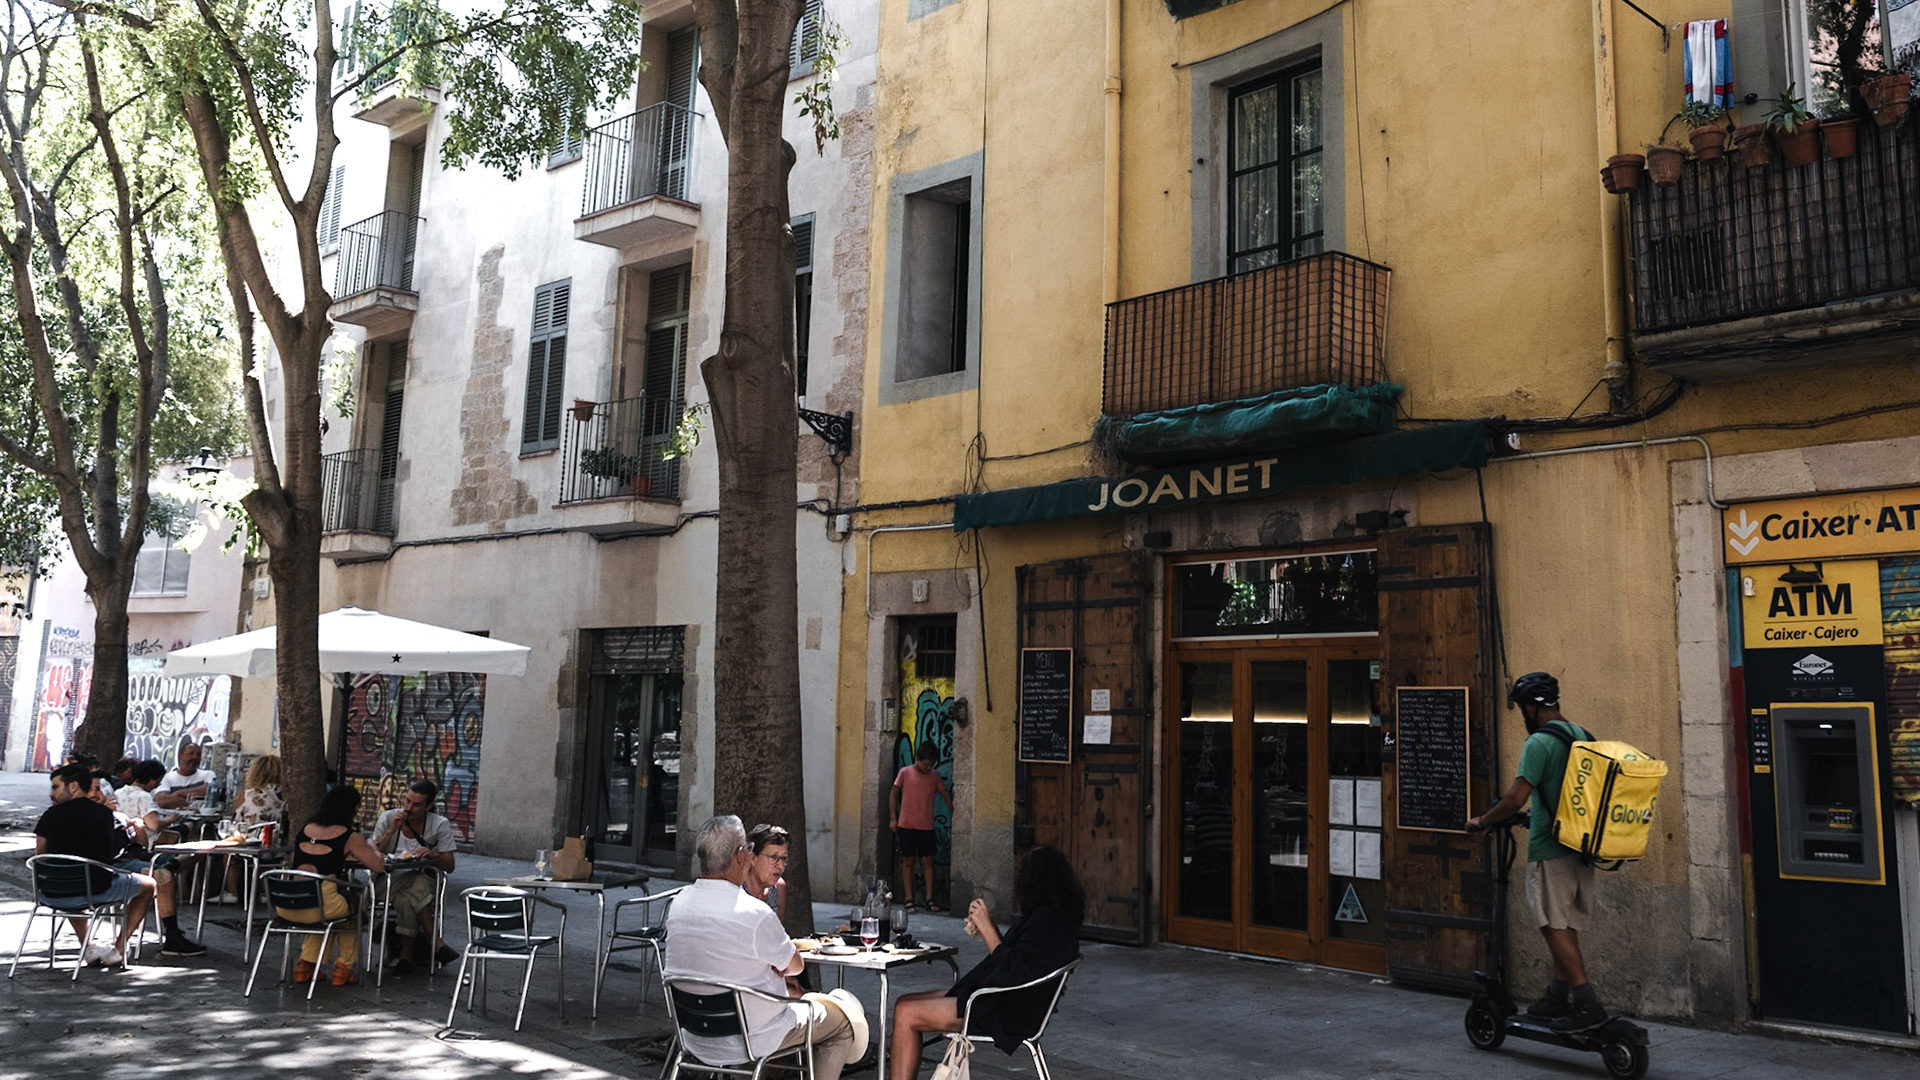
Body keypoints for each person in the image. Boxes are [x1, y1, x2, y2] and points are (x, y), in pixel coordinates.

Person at [665, 815, 864, 1080]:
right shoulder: (754, 912)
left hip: (693, 1036)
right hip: (752, 1037)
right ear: (741, 856)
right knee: (844, 1024)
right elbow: (795, 965)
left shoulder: (678, 904)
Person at [1467, 671, 1607, 1033]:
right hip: (1581, 847)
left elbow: (1515, 797)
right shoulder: (1581, 735)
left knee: (1551, 924)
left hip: (1550, 850)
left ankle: (1586, 1002)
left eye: (1523, 709)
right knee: (1565, 923)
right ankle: (1558, 997)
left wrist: (1483, 820)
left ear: (1532, 707)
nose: (1523, 717)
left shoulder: (1539, 743)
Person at [888, 845, 1084, 1079]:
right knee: (904, 1002)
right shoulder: (1052, 918)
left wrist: (988, 928)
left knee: (906, 1012)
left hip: (1004, 1010)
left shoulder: (1046, 921)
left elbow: (1013, 971)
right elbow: (1017, 960)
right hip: (1004, 999)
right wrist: (987, 929)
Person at [32, 763, 157, 968]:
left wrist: (43, 884)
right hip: (92, 891)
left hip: (51, 892)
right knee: (149, 885)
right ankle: (118, 948)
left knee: (74, 881)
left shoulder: (49, 815)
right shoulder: (104, 815)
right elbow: (106, 855)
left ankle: (87, 946)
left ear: (73, 787)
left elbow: (40, 855)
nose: (51, 794)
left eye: (55, 787)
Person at [88, 772, 206, 957]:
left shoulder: (117, 815)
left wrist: (138, 827)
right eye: (91, 790)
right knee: (162, 876)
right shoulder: (91, 817)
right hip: (117, 864)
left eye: (99, 789)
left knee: (198, 851)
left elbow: (141, 844)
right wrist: (105, 815)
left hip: (138, 855)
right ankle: (172, 935)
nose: (96, 794)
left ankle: (169, 868)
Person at [282, 784, 386, 986]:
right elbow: (378, 866)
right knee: (351, 912)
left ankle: (306, 965)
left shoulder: (305, 828)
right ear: (351, 809)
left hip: (288, 904)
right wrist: (372, 846)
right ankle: (343, 968)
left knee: (329, 910)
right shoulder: (349, 835)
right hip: (322, 905)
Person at [372, 779, 458, 975]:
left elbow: (450, 865)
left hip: (420, 882)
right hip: (387, 881)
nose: (409, 807)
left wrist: (434, 854)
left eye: (416, 804)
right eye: (407, 801)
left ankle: (406, 957)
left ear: (429, 806)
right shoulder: (388, 818)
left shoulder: (439, 824)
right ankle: (433, 941)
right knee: (418, 885)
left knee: (408, 896)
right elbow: (374, 855)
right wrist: (392, 830)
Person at [890, 741, 951, 913]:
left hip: (926, 826)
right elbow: (893, 794)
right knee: (908, 861)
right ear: (918, 758)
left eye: (931, 764)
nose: (928, 767)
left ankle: (929, 899)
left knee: (928, 862)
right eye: (925, 764)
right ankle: (909, 899)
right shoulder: (905, 773)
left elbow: (944, 793)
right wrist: (893, 818)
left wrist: (953, 810)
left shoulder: (934, 776)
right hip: (906, 825)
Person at [221, 754, 284, 902]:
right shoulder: (286, 795)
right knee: (266, 851)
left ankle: (232, 893)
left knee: (229, 851)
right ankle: (265, 892)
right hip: (278, 844)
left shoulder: (247, 795)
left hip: (253, 843)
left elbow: (237, 819)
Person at [744, 822, 791, 922]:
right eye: (773, 857)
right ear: (752, 858)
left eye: (783, 858)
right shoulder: (737, 889)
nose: (780, 866)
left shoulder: (778, 887)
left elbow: (777, 933)